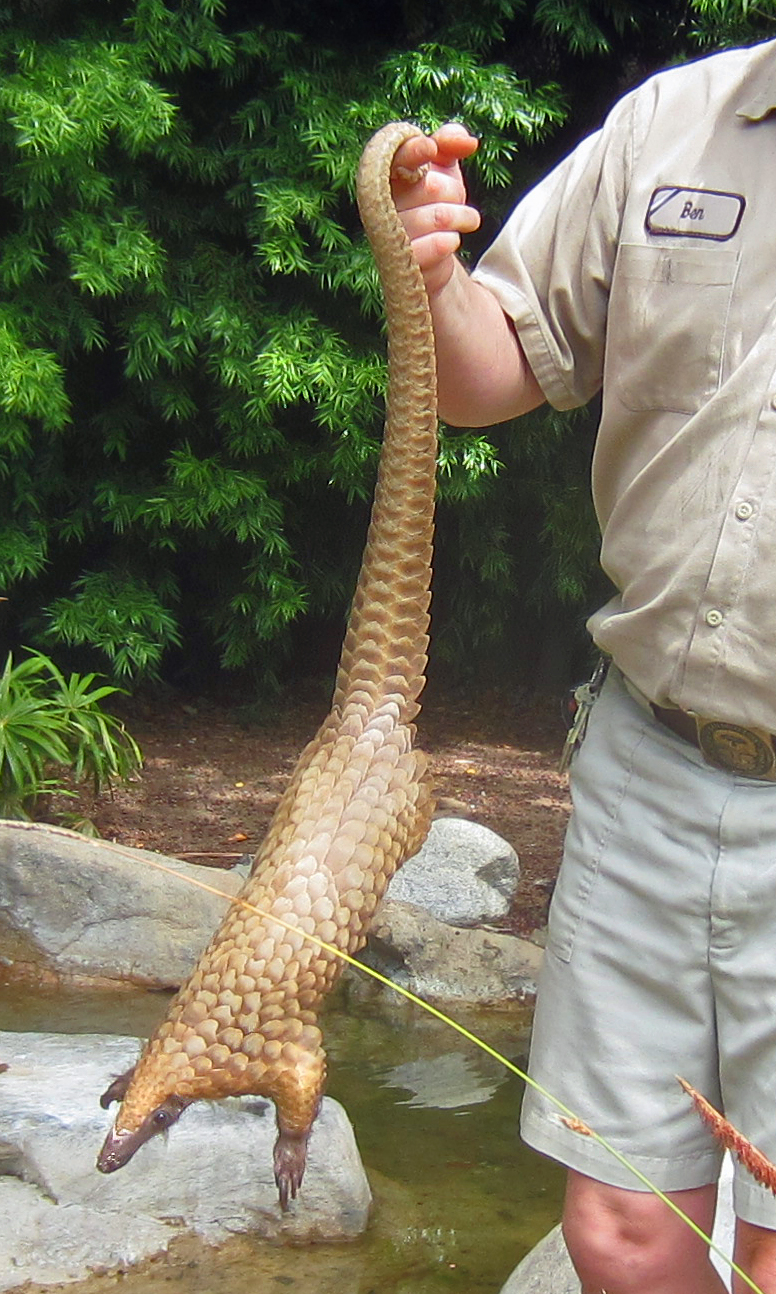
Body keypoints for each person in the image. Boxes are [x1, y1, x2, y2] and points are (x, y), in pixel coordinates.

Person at [391, 37, 776, 1294]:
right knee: (616, 1232)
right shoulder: (671, 120)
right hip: (648, 764)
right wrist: (429, 273)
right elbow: (487, 367)